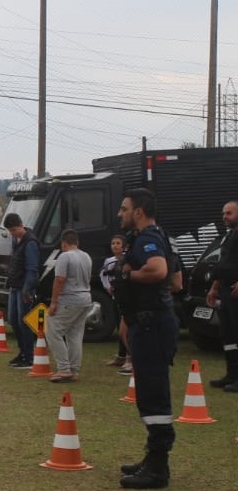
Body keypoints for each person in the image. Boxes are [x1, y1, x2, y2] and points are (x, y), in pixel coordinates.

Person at [112, 188, 177, 489]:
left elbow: (160, 271)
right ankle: (152, 457)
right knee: (150, 393)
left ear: (138, 211)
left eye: (124, 209)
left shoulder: (148, 238)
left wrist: (128, 276)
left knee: (153, 394)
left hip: (152, 327)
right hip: (147, 323)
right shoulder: (154, 237)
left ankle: (158, 469)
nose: (120, 214)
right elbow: (176, 281)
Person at [45, 229, 91, 383]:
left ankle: (64, 368)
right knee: (75, 335)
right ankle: (74, 369)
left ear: (63, 244)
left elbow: (59, 279)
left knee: (52, 330)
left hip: (69, 299)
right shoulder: (86, 256)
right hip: (85, 298)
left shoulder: (65, 257)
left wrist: (53, 302)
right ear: (77, 242)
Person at [206, 200, 238, 391]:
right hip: (225, 290)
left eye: (229, 213)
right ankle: (232, 374)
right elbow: (223, 264)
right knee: (228, 336)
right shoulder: (228, 236)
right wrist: (214, 287)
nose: (225, 217)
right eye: (223, 213)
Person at [3, 213, 40, 370]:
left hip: (24, 288)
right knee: (13, 319)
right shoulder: (16, 240)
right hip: (14, 286)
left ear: (21, 225)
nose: (12, 233)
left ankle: (29, 356)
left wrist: (27, 288)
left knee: (23, 321)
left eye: (14, 230)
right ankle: (22, 352)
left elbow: (32, 268)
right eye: (10, 231)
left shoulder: (30, 242)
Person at [101, 234, 133, 374]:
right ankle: (120, 356)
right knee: (117, 325)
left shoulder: (128, 259)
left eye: (118, 243)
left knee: (126, 327)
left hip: (125, 296)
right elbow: (104, 275)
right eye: (113, 243)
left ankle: (129, 356)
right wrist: (108, 288)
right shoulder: (109, 261)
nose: (115, 246)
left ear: (124, 246)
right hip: (115, 296)